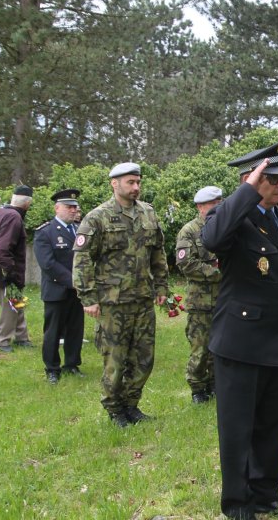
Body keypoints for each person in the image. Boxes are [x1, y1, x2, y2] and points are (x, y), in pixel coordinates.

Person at [201, 143, 278, 520]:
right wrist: (247, 190)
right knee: (238, 428)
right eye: (272, 179)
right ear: (251, 179)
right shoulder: (229, 216)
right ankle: (237, 502)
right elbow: (212, 240)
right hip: (241, 341)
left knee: (274, 422)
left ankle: (265, 493)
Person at [73, 163, 169, 427]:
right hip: (113, 303)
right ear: (114, 184)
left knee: (144, 359)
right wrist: (88, 298)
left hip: (142, 299)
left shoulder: (148, 213)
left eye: (138, 182)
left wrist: (162, 286)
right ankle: (115, 409)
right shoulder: (97, 217)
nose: (136, 187)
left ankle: (131, 404)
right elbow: (82, 259)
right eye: (130, 182)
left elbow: (158, 252)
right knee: (115, 360)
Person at [176, 185, 223, 404]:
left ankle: (215, 384)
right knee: (200, 348)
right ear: (200, 207)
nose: (217, 207)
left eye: (219, 203)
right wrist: (218, 272)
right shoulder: (189, 231)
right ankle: (197, 388)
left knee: (220, 346)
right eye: (212, 204)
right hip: (200, 302)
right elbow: (186, 264)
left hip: (224, 299)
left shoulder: (225, 228)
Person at [33, 188, 85, 384]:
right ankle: (52, 368)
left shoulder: (80, 229)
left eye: (75, 207)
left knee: (75, 329)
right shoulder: (45, 232)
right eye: (68, 207)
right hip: (57, 290)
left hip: (77, 291)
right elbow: (48, 264)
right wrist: (74, 281)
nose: (73, 210)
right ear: (57, 208)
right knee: (53, 332)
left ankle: (72, 364)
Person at [0, 185, 33, 353]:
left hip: (0, 269)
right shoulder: (13, 217)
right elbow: (2, 248)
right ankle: (2, 340)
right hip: (6, 272)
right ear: (27, 204)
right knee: (10, 307)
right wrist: (10, 272)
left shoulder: (1, 213)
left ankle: (22, 338)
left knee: (17, 304)